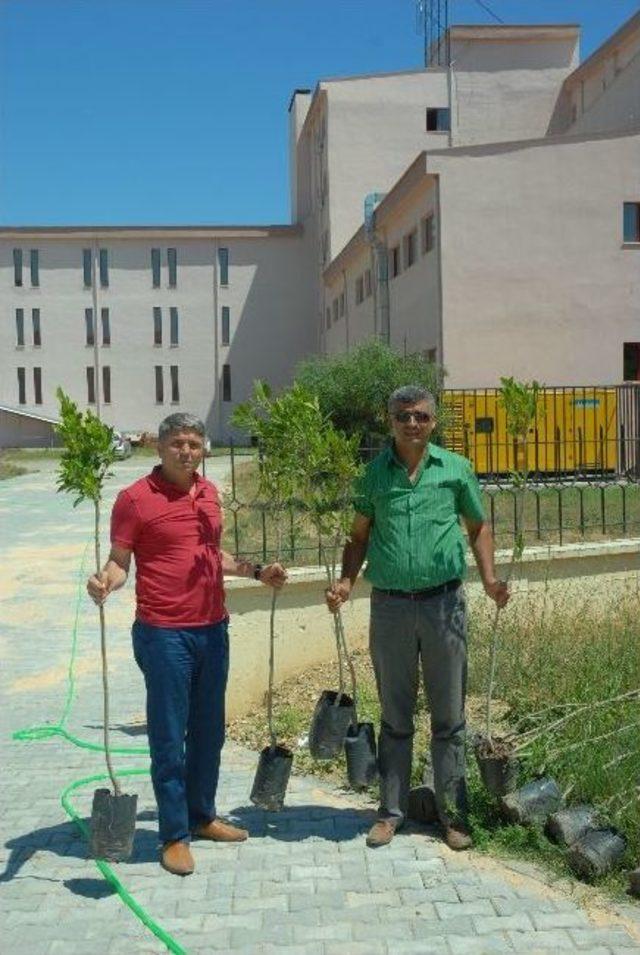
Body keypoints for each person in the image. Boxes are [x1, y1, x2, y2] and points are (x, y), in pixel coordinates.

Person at [87, 413, 286, 876]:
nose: (187, 451)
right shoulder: (134, 499)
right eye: (177, 443)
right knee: (168, 736)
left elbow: (210, 554)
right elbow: (119, 562)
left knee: (209, 732)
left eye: (194, 444)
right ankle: (174, 836)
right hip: (164, 634)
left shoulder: (210, 493)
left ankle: (201, 816)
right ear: (159, 447)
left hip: (213, 629)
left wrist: (257, 572)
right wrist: (104, 582)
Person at [325, 386, 509, 851]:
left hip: (444, 606)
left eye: (421, 416)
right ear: (390, 421)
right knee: (395, 715)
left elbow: (477, 526)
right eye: (403, 416)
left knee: (449, 718)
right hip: (390, 608)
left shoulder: (456, 469)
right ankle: (391, 812)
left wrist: (490, 579)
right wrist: (345, 581)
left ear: (433, 421)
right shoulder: (372, 476)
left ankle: (453, 816)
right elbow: (358, 537)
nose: (412, 423)